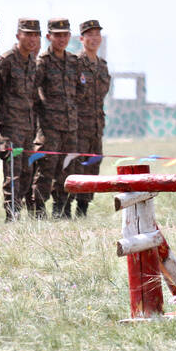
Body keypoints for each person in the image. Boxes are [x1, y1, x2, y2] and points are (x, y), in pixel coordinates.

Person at [0, 18, 40, 218]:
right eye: (27, 34)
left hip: (28, 128)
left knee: (27, 173)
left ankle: (19, 209)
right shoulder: (6, 61)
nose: (32, 39)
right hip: (10, 128)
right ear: (17, 36)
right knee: (12, 173)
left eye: (35, 35)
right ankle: (11, 214)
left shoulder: (32, 61)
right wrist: (0, 133)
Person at [35, 18, 79, 218]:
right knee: (46, 169)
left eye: (65, 35)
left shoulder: (72, 62)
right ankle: (38, 209)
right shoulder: (42, 62)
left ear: (70, 36)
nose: (62, 39)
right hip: (49, 127)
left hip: (70, 126)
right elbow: (33, 89)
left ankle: (62, 208)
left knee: (67, 168)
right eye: (57, 35)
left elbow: (79, 91)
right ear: (48, 36)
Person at [74, 18, 110, 218]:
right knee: (75, 166)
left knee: (93, 167)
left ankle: (83, 209)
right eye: (90, 35)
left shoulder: (102, 66)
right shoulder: (75, 63)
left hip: (96, 127)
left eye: (97, 34)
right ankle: (64, 208)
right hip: (78, 126)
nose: (94, 38)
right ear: (82, 38)